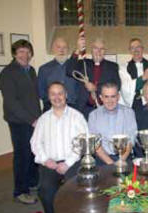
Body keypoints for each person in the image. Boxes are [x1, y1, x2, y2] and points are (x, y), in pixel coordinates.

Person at [30, 82, 112, 213]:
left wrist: (67, 163)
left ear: (66, 95)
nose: (57, 97)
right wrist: (45, 160)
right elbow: (35, 143)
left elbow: (84, 142)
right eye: (53, 94)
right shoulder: (43, 119)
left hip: (73, 162)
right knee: (45, 191)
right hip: (50, 163)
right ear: (49, 97)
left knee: (75, 191)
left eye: (60, 93)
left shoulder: (77, 117)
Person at [0, 39, 41, 204]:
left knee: (33, 152)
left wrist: (38, 118)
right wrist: (31, 120)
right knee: (22, 156)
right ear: (15, 53)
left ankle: (31, 182)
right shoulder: (7, 73)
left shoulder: (31, 71)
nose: (25, 55)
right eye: (21, 51)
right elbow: (11, 102)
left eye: (28, 52)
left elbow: (34, 97)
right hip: (19, 122)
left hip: (33, 120)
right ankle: (20, 191)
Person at [67, 37, 121, 119]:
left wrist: (96, 88)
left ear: (105, 51)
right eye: (96, 48)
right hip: (84, 109)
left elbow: (117, 85)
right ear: (91, 50)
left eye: (102, 49)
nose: (98, 51)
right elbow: (69, 71)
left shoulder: (112, 66)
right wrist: (77, 50)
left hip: (104, 108)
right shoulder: (83, 64)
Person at [88, 82, 137, 164]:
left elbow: (131, 141)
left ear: (118, 97)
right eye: (106, 97)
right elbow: (95, 144)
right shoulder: (93, 115)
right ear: (101, 98)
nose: (110, 100)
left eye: (113, 96)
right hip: (102, 159)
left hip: (125, 157)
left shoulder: (129, 113)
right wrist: (111, 164)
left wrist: (120, 161)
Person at [119, 38, 148, 111]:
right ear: (129, 50)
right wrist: (143, 78)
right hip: (134, 107)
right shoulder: (124, 68)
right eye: (132, 48)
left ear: (142, 49)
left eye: (138, 47)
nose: (136, 50)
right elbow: (125, 88)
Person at [38, 38, 77, 112]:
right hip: (51, 109)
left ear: (68, 49)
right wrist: (56, 100)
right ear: (53, 49)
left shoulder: (76, 68)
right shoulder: (44, 69)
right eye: (58, 47)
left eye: (64, 47)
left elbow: (79, 90)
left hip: (72, 109)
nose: (61, 50)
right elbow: (41, 92)